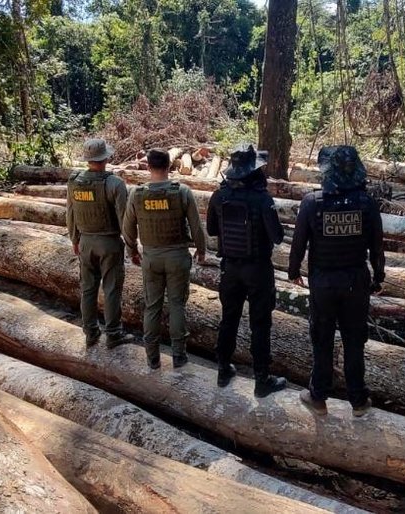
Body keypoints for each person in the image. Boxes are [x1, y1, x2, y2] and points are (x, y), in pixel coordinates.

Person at [288, 145, 384, 417]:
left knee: (322, 339)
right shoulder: (366, 204)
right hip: (356, 282)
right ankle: (358, 401)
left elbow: (299, 245)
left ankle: (318, 396)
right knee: (354, 340)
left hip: (324, 283)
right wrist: (378, 278)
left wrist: (293, 271)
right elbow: (377, 246)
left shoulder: (312, 202)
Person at [206, 143, 287, 397]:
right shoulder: (262, 199)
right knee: (260, 324)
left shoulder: (219, 196)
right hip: (258, 270)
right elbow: (277, 237)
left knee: (228, 318)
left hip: (230, 269)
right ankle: (261, 379)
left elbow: (211, 230)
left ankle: (222, 369)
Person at [122, 148, 207, 369]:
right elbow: (196, 226)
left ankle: (152, 357)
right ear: (170, 166)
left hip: (151, 257)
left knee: (152, 306)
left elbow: (128, 228)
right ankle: (179, 355)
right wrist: (201, 249)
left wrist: (132, 250)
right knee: (177, 304)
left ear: (148, 167)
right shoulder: (182, 192)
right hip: (177, 256)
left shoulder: (137, 194)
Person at [67, 138, 132, 348]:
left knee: (87, 288)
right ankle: (113, 333)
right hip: (109, 243)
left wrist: (74, 239)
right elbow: (125, 220)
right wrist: (132, 247)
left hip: (85, 241)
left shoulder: (74, 180)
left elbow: (71, 212)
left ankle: (90, 332)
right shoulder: (115, 183)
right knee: (111, 289)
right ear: (105, 158)